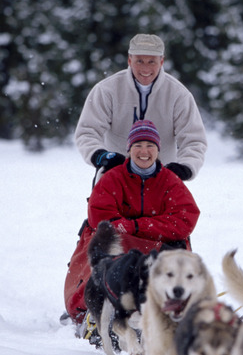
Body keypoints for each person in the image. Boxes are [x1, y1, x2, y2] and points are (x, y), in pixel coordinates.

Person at [63, 120, 200, 322]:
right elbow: (102, 218)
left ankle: (171, 308)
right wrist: (143, 229)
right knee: (105, 245)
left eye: (150, 146)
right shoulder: (112, 178)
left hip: (157, 246)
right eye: (138, 145)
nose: (144, 151)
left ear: (158, 150)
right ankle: (93, 308)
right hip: (122, 246)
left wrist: (135, 226)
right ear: (129, 149)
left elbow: (184, 219)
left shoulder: (170, 181)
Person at [74, 33, 207, 183]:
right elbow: (87, 132)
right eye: (139, 61)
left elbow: (194, 140)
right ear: (129, 60)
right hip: (115, 177)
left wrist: (185, 167)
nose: (145, 68)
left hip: (162, 181)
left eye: (151, 61)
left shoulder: (179, 95)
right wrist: (100, 156)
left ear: (161, 61)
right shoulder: (106, 90)